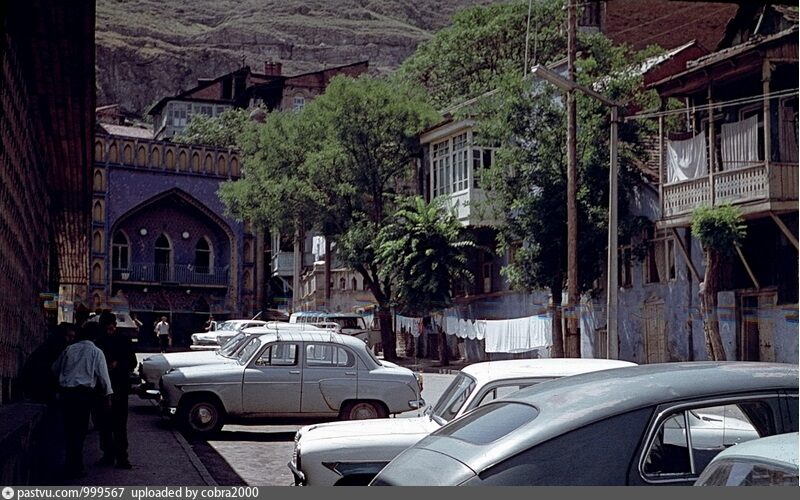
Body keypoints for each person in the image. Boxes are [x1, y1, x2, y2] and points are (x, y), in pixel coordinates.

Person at [51, 323, 112, 479]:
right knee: (80, 432)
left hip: (67, 394)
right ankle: (75, 466)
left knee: (69, 430)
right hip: (84, 395)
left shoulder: (69, 349)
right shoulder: (96, 352)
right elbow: (104, 378)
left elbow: (55, 368)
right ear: (96, 337)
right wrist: (107, 396)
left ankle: (70, 463)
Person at [94, 311, 136, 469]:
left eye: (111, 327)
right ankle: (109, 454)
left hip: (118, 387)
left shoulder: (123, 341)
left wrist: (117, 365)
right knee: (104, 423)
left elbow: (132, 363)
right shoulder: (98, 341)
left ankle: (121, 456)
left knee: (118, 423)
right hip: (104, 388)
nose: (109, 330)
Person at [21, 322, 76, 402]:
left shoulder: (50, 344)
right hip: (39, 384)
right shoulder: (56, 347)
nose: (71, 340)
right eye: (69, 336)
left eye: (73, 337)